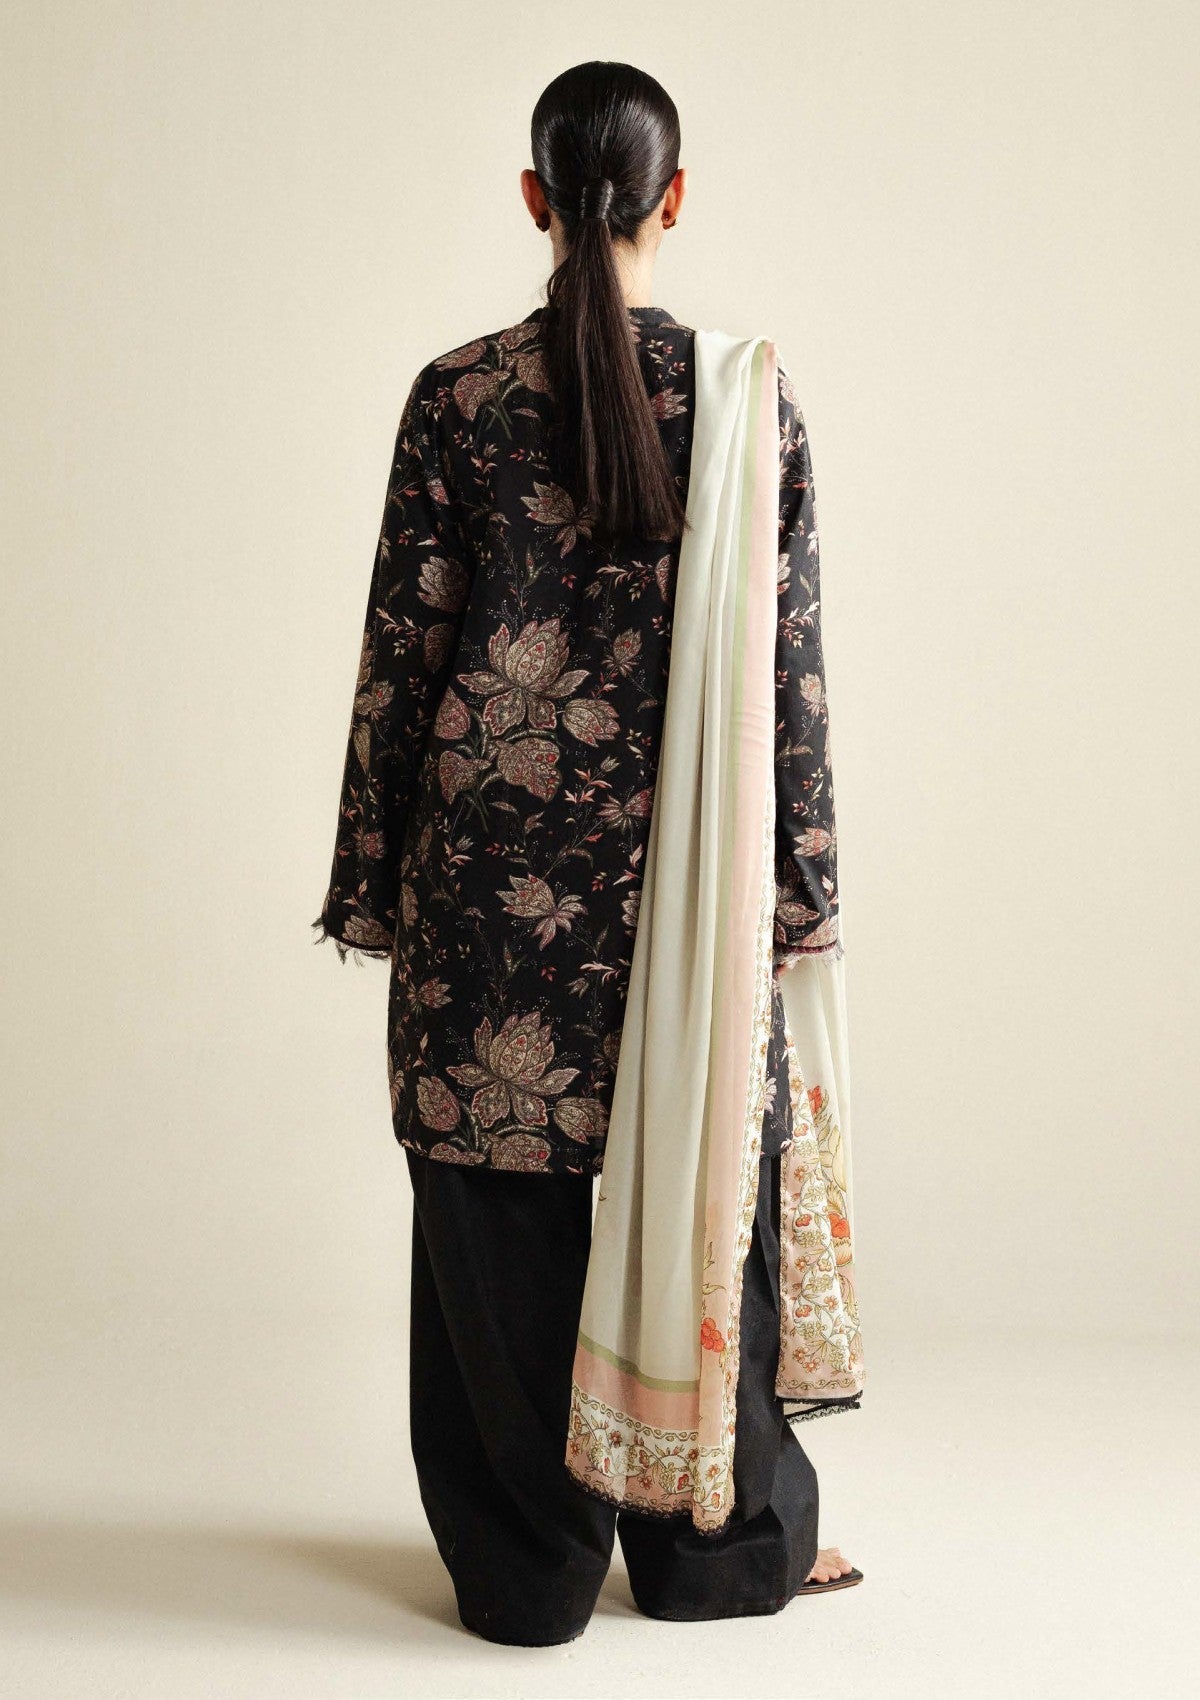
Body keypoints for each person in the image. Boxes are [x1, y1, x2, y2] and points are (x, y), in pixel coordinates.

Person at [312, 59, 864, 1646]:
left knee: (494, 1228)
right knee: (708, 1211)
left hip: (489, 895)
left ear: (535, 200)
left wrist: (372, 882)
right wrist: (800, 892)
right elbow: (789, 677)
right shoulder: (745, 399)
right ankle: (719, 1554)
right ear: (671, 200)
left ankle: (524, 1572)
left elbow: (402, 660)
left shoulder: (458, 395)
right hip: (685, 901)